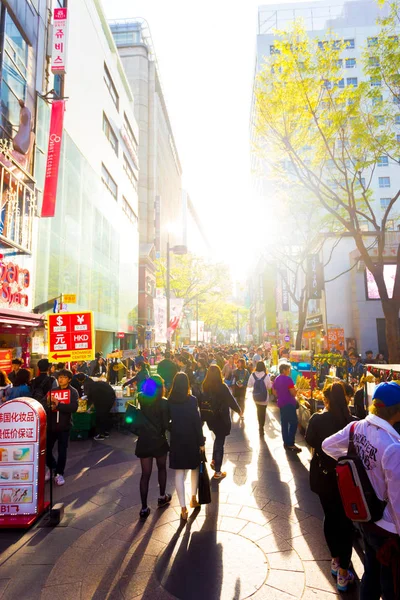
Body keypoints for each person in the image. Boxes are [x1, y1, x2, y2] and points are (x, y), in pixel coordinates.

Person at [322, 381, 400, 600]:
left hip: (365, 517)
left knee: (371, 572)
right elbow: (397, 500)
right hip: (387, 528)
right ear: (396, 410)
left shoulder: (358, 427)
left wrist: (355, 464)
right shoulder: (393, 446)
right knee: (390, 583)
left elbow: (327, 445)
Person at [305, 382, 356, 592]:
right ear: (346, 399)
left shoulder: (317, 419)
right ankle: (344, 571)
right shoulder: (354, 422)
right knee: (347, 522)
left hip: (324, 478)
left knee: (330, 517)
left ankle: (336, 560)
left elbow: (309, 440)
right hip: (348, 481)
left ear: (327, 399)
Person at [168, 372, 205, 520]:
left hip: (176, 439)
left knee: (179, 472)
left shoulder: (169, 401)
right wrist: (201, 442)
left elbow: (167, 421)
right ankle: (193, 498)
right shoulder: (192, 400)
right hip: (192, 438)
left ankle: (183, 508)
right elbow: (197, 422)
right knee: (194, 467)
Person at [136, 375, 171, 519]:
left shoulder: (141, 398)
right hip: (159, 440)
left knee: (145, 474)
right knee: (162, 468)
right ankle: (162, 496)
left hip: (144, 440)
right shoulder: (164, 403)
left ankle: (144, 508)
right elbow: (165, 424)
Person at [202, 365, 241, 480]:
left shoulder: (205, 386)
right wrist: (238, 410)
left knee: (217, 439)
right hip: (222, 418)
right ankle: (218, 471)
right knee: (220, 443)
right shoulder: (222, 387)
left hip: (211, 418)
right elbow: (230, 400)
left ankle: (214, 461)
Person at [45, 369, 78, 486]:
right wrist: (50, 405)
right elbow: (45, 405)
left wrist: (59, 404)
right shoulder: (52, 391)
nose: (61, 379)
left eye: (64, 377)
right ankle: (52, 467)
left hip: (64, 425)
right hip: (51, 425)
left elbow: (74, 407)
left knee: (62, 450)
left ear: (69, 379)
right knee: (46, 449)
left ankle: (59, 473)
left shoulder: (73, 392)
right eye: (59, 377)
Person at [272, 362, 301, 453]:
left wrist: (281, 395)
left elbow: (274, 392)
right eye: (288, 370)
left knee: (284, 423)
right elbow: (293, 393)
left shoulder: (277, 379)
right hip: (289, 403)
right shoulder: (288, 379)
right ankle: (290, 443)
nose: (289, 371)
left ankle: (286, 442)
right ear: (284, 370)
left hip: (281, 402)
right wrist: (296, 391)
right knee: (293, 422)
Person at [247, 361, 273, 435]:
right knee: (263, 412)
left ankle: (259, 426)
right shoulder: (266, 375)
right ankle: (262, 426)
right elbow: (269, 387)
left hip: (256, 397)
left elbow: (249, 385)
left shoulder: (252, 375)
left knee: (258, 411)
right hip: (264, 398)